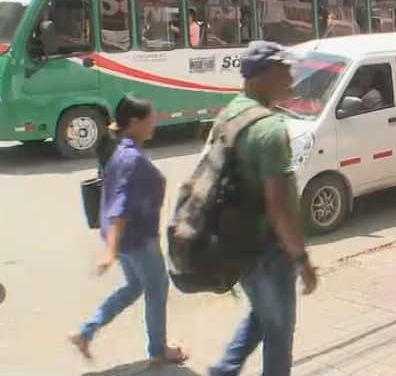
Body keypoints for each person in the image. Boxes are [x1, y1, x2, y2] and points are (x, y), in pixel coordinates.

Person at [209, 41, 318, 376]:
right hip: (269, 251)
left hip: (238, 244)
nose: (291, 76)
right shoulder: (270, 129)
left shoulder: (230, 114)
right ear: (264, 74)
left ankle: (223, 370)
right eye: (284, 69)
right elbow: (278, 207)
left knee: (263, 314)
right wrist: (301, 260)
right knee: (279, 334)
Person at [68, 96, 186, 364]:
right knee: (156, 287)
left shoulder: (118, 149)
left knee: (134, 286)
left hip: (125, 239)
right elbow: (119, 207)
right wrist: (110, 250)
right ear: (134, 122)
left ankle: (85, 332)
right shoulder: (131, 159)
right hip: (137, 239)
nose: (153, 124)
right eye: (150, 120)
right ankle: (158, 350)